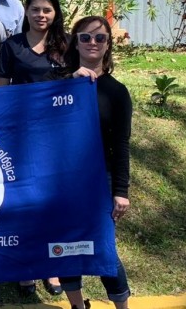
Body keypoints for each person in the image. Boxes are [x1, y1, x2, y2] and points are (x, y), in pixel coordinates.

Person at [0, 0, 68, 296]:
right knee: (24, 201)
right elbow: (1, 91)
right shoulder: (11, 46)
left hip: (55, 139)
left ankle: (50, 267)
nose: (41, 15)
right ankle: (25, 264)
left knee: (50, 202)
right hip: (19, 137)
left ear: (55, 14)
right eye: (36, 9)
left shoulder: (65, 47)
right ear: (26, 10)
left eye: (47, 10)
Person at [57, 16, 132, 309]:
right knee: (63, 245)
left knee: (103, 248)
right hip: (62, 180)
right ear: (75, 42)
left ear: (108, 45)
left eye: (100, 38)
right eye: (85, 37)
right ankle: (77, 305)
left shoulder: (117, 92)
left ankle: (122, 306)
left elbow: (121, 144)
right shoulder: (59, 86)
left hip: (101, 179)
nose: (92, 43)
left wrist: (121, 190)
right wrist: (68, 86)